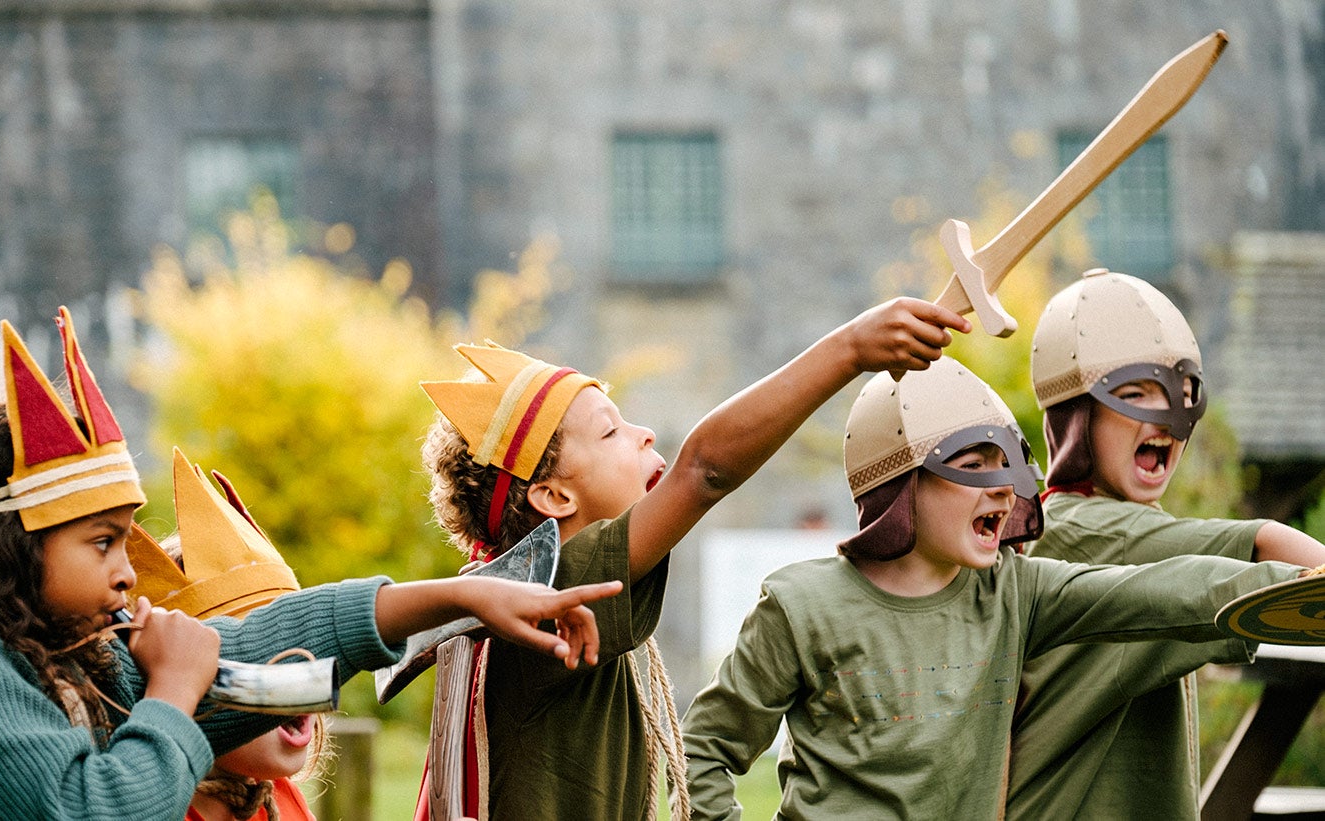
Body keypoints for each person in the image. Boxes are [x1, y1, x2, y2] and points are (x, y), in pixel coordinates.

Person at [0, 307, 620, 820]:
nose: (127, 571)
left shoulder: (82, 666)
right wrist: (174, 690)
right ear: (9, 550)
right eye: (101, 542)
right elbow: (95, 808)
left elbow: (261, 650)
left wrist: (462, 599)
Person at [679, 356, 1309, 819]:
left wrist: (1288, 589)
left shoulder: (1015, 594)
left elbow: (1159, 590)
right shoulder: (800, 605)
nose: (1004, 487)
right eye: (974, 463)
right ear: (900, 482)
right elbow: (705, 748)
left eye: (1010, 462)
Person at [417, 297, 971, 819]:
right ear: (555, 498)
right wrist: (852, 348)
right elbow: (703, 470)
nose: (645, 433)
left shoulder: (527, 589)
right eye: (611, 431)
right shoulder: (560, 586)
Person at [1006, 268, 1325, 819]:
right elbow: (1261, 542)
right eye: (1134, 394)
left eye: (1182, 397)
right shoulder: (1092, 531)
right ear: (1077, 418)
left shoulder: (1097, 523)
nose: (1169, 420)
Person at [130, 449, 333, 821]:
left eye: (300, 641)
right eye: (254, 652)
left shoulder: (282, 801)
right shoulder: (153, 810)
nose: (298, 667)